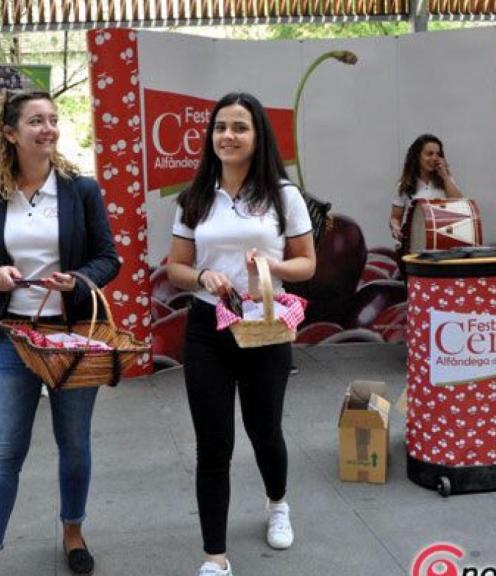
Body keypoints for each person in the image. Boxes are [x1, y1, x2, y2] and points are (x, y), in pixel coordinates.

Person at [0, 90, 120, 576]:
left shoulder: (80, 190)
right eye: (36, 121)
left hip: (71, 337)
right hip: (10, 339)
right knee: (4, 454)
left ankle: (73, 531)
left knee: (73, 444)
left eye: (53, 119)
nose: (48, 128)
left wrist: (78, 280)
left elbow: (108, 258)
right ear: (10, 133)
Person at [165, 92, 316, 576]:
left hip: (264, 327)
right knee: (213, 444)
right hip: (208, 328)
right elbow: (175, 267)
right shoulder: (194, 197)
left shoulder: (283, 195)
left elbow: (307, 264)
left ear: (258, 136)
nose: (228, 136)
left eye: (239, 127)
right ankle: (215, 556)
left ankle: (278, 503)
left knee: (264, 430)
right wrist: (202, 276)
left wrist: (271, 266)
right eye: (220, 127)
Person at [389, 134, 464, 245]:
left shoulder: (446, 181)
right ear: (417, 156)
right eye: (429, 154)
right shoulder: (405, 185)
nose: (434, 158)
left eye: (438, 154)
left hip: (443, 240)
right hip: (416, 242)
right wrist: (395, 227)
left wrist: (445, 176)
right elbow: (395, 217)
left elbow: (460, 205)